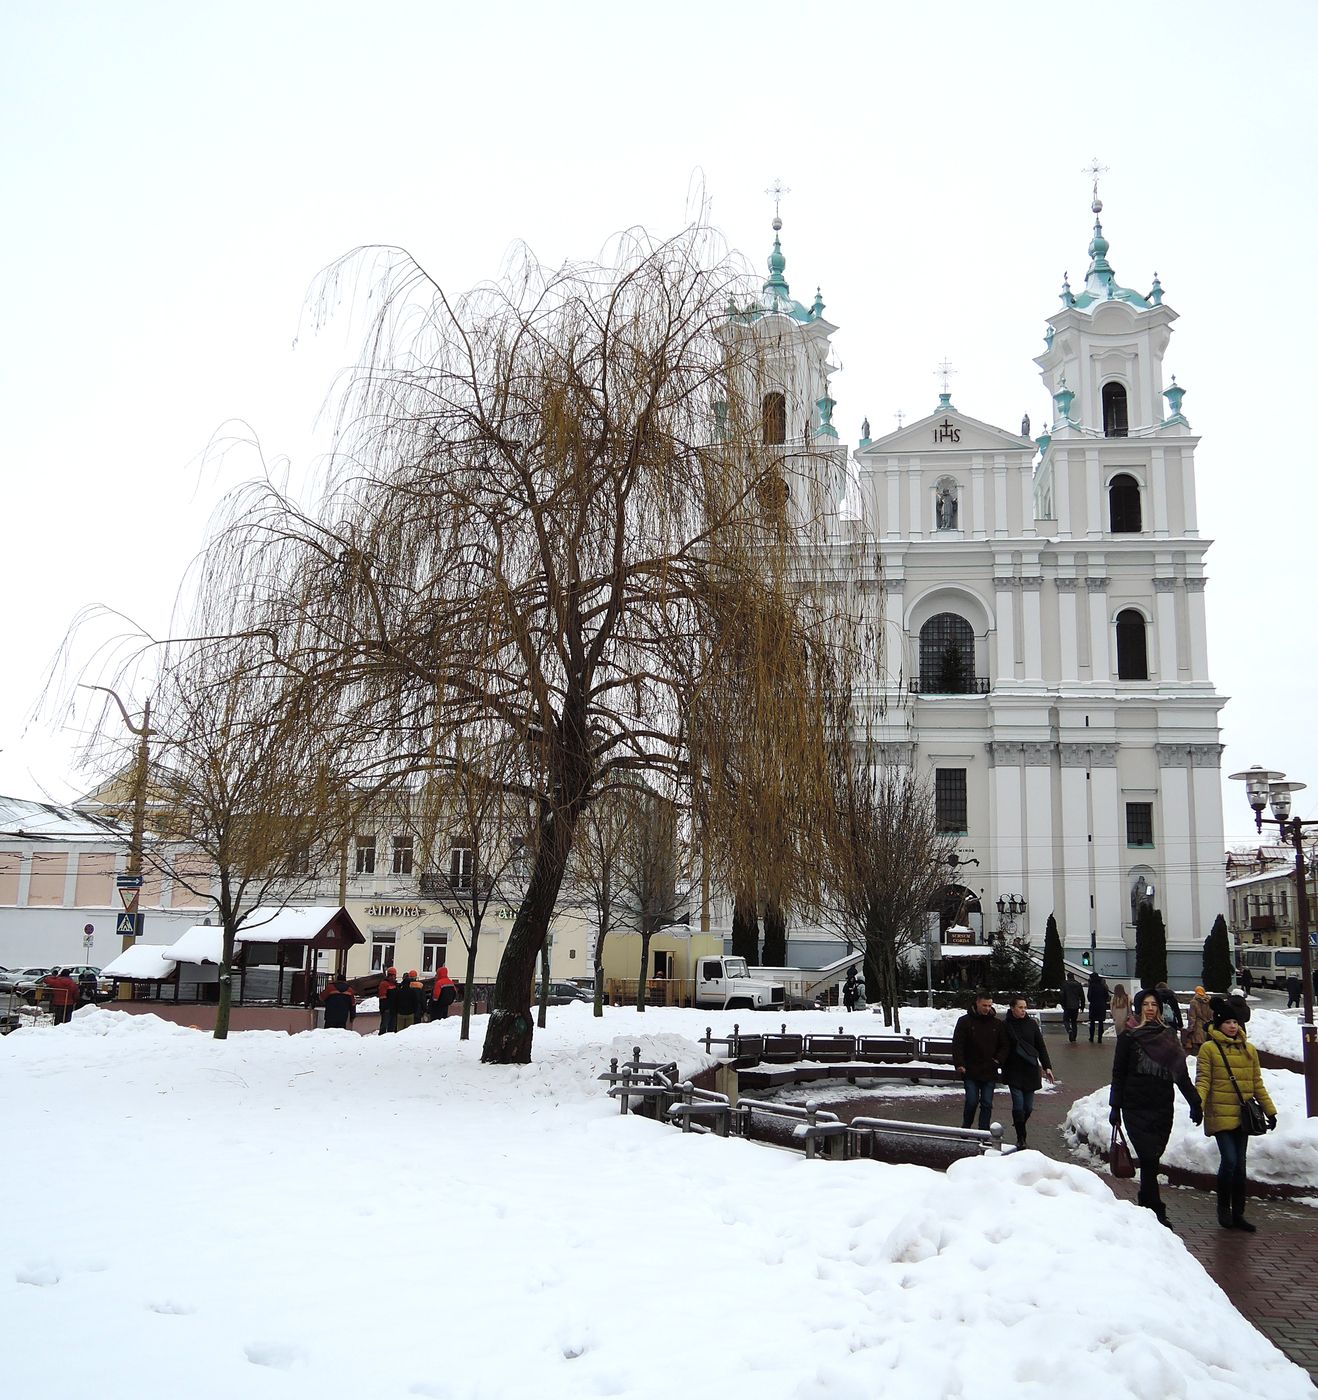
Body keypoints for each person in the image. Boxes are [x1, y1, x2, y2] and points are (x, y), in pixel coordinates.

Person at [1108, 988, 1203, 1228]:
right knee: (1149, 1158)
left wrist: (1195, 1102)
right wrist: (1115, 1107)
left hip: (1161, 1106)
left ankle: (1145, 1201)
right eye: (1146, 1004)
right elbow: (1118, 1073)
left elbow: (1181, 1074)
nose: (1150, 1009)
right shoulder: (1128, 1037)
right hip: (1135, 1106)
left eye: (1154, 1005)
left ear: (1159, 1008)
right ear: (1138, 1008)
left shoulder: (1168, 1036)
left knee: (1153, 1158)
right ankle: (1156, 1210)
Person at [1195, 995, 1278, 1231]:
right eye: (1228, 1022)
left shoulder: (1248, 1049)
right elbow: (1203, 1082)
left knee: (1240, 1165)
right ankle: (1223, 1209)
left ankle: (1238, 1213)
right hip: (1220, 1113)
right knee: (1229, 1161)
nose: (1233, 1026)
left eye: (1235, 1022)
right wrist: (1197, 1106)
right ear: (1219, 1023)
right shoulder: (1209, 1049)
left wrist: (1270, 1111)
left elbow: (1257, 1084)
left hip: (1243, 1116)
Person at [1001, 996, 1055, 1148]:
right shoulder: (1005, 1025)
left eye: (1025, 1007)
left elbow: (1040, 1046)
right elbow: (1002, 1046)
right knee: (1018, 1105)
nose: (1023, 1010)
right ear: (1012, 1008)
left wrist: (1047, 1066)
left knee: (1028, 1107)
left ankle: (1019, 1124)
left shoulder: (1031, 1024)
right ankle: (1021, 1137)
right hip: (1013, 1070)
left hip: (1030, 1069)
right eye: (1020, 1007)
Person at [952, 989, 1009, 1132]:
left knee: (987, 1103)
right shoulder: (965, 1021)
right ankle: (966, 1126)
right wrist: (959, 1063)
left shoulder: (997, 1024)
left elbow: (1004, 1045)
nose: (987, 1008)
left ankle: (983, 1131)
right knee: (971, 1101)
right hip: (970, 1069)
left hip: (989, 1070)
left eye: (990, 1005)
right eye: (984, 1005)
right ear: (977, 1003)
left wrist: (998, 1060)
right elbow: (958, 1044)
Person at [1185, 986, 1213, 1053]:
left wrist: (1190, 1029)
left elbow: (1192, 1017)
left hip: (1198, 1027)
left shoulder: (1194, 1002)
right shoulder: (1210, 1002)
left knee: (1197, 1049)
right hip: (1208, 1027)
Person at [1060, 972, 1086, 1043]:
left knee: (1066, 1020)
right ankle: (1074, 1037)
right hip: (1075, 1006)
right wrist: (1082, 1006)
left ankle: (1069, 1030)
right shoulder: (1078, 984)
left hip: (1067, 1006)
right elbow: (1082, 996)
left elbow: (1062, 995)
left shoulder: (1065, 984)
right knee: (1074, 1021)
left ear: (1067, 977)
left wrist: (1062, 1004)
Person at [1087, 972, 1110, 1043]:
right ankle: (1100, 1038)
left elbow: (1089, 997)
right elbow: (1107, 996)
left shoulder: (1091, 986)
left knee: (1092, 1022)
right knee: (1101, 1023)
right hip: (1101, 1006)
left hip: (1093, 1005)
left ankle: (1091, 1037)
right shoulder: (1102, 986)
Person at [377, 966, 398, 1035]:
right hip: (387, 1009)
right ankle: (381, 1037)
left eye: (394, 976)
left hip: (393, 1009)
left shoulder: (394, 984)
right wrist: (385, 1008)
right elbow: (383, 998)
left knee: (392, 1026)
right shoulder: (384, 984)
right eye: (392, 976)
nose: (393, 977)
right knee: (384, 1025)